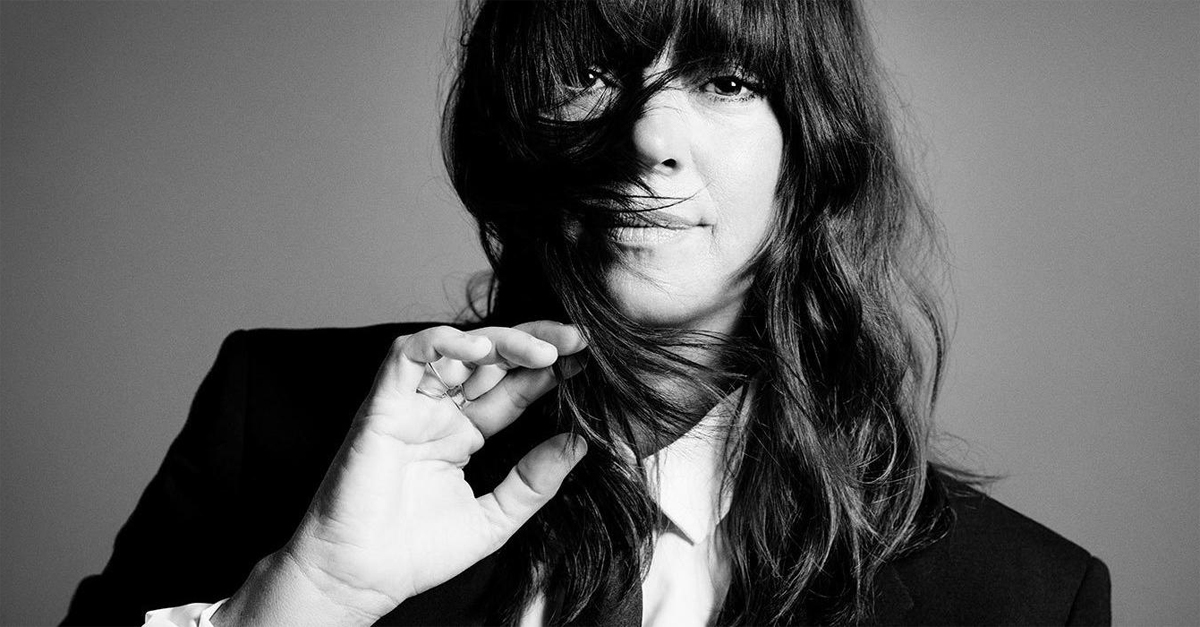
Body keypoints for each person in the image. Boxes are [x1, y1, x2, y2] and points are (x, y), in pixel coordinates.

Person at [63, 0, 1111, 625]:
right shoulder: (274, 417)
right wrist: (309, 597)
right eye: (593, 71)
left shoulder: (1020, 597)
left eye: (727, 80)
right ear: (514, 121)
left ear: (813, 144)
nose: (649, 136)